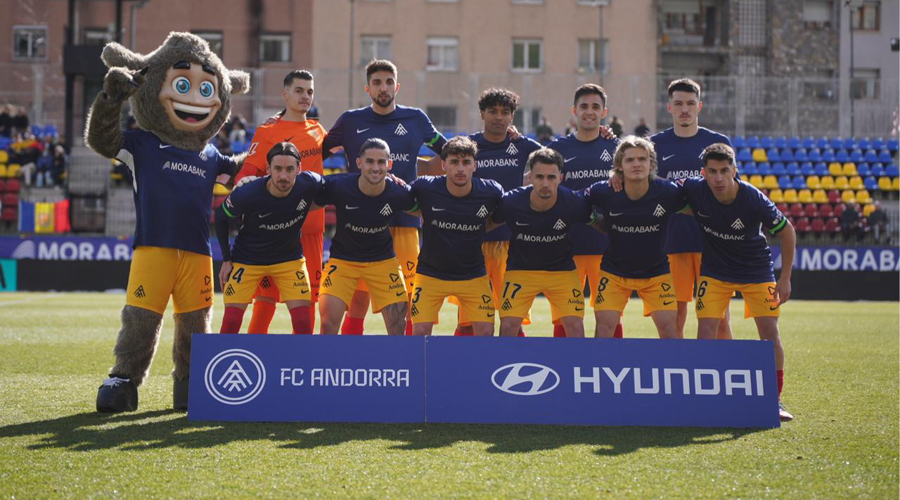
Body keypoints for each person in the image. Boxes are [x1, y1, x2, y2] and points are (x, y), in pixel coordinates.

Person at [322, 59, 448, 335]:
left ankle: (410, 356)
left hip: (404, 220)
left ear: (397, 86)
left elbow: (449, 152)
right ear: (367, 88)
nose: (383, 88)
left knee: (410, 298)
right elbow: (316, 152)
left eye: (389, 82)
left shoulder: (416, 119)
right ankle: (352, 355)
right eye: (377, 82)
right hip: (360, 224)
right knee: (358, 300)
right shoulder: (351, 120)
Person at [681, 143, 796, 421]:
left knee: (769, 334)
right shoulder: (694, 190)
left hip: (756, 271)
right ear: (703, 173)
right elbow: (659, 190)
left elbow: (787, 232)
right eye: (712, 171)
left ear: (734, 170)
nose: (718, 178)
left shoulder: (753, 198)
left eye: (724, 171)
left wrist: (785, 278)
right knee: (706, 330)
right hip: (715, 272)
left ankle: (775, 400)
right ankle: (703, 397)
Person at [234, 70, 327, 334]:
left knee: (308, 299)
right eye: (299, 90)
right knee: (266, 300)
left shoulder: (319, 130)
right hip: (273, 231)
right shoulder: (268, 132)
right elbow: (246, 175)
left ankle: (304, 354)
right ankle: (254, 351)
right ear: (285, 94)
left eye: (309, 91)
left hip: (311, 227)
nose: (305, 96)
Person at [453, 88, 542, 337]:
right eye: (492, 111)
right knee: (469, 321)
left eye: (505, 112)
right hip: (474, 241)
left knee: (513, 318)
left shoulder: (522, 145)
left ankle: (512, 361)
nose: (498, 117)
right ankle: (460, 362)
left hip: (512, 243)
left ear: (512, 116)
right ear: (482, 114)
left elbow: (557, 159)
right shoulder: (468, 146)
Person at [651, 78, 734, 339]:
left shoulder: (718, 142)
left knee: (720, 320)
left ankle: (721, 366)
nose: (684, 109)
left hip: (712, 242)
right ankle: (678, 366)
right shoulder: (654, 145)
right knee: (675, 317)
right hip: (671, 241)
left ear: (700, 106)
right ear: (669, 107)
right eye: (678, 103)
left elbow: (732, 189)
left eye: (690, 103)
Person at [216, 142, 324, 335]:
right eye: (278, 169)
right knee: (231, 321)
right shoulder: (247, 192)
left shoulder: (310, 183)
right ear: (268, 169)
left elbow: (339, 188)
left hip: (289, 260)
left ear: (299, 169)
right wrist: (226, 259)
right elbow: (221, 216)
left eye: (289, 169)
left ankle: (301, 356)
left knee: (303, 321)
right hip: (247, 260)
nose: (283, 176)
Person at [315, 139, 417, 335]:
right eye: (370, 161)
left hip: (383, 261)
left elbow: (424, 209)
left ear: (389, 164)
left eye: (381, 162)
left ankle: (397, 357)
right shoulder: (339, 185)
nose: (375, 168)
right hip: (343, 261)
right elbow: (305, 199)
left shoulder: (399, 192)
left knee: (398, 324)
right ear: (359, 163)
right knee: (328, 325)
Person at [587, 136, 685, 339]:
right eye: (630, 160)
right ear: (619, 166)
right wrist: (597, 221)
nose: (637, 164)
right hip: (614, 274)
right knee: (604, 330)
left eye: (642, 159)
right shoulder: (603, 191)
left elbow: (700, 204)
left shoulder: (668, 192)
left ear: (651, 164)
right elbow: (575, 205)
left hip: (656, 274)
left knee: (670, 330)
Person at [493, 148, 595, 338]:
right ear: (530, 177)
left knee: (575, 326)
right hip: (521, 271)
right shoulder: (511, 202)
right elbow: (488, 224)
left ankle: (576, 358)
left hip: (562, 271)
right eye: (539, 177)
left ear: (560, 178)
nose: (545, 183)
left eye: (551, 177)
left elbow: (599, 223)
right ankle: (507, 359)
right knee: (508, 326)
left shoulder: (573, 202)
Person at [409, 136, 503, 336]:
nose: (460, 168)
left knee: (486, 332)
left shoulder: (491, 192)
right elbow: (402, 202)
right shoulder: (424, 187)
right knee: (420, 333)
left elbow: (500, 217)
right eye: (454, 162)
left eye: (466, 162)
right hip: (430, 274)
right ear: (443, 165)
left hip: (473, 275)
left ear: (475, 166)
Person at [549, 84, 621, 338]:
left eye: (595, 107)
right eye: (584, 106)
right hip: (566, 244)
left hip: (608, 244)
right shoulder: (558, 148)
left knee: (610, 318)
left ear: (604, 112)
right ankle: (565, 362)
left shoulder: (617, 148)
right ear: (574, 111)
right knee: (565, 318)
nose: (589, 112)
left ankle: (609, 361)